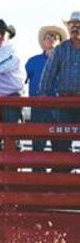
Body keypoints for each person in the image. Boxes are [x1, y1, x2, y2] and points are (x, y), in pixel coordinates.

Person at [39, 11, 80, 159]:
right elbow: (47, 75)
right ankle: (64, 172)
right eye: (72, 25)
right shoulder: (61, 49)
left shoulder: (60, 49)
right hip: (65, 101)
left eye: (78, 25)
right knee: (63, 142)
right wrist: (44, 96)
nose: (75, 28)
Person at [25, 24, 67, 158]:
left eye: (55, 37)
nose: (51, 39)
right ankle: (37, 175)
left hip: (60, 109)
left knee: (61, 147)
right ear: (43, 41)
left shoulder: (67, 62)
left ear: (60, 41)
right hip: (39, 108)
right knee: (38, 146)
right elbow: (20, 82)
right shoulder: (32, 62)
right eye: (47, 37)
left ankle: (59, 177)